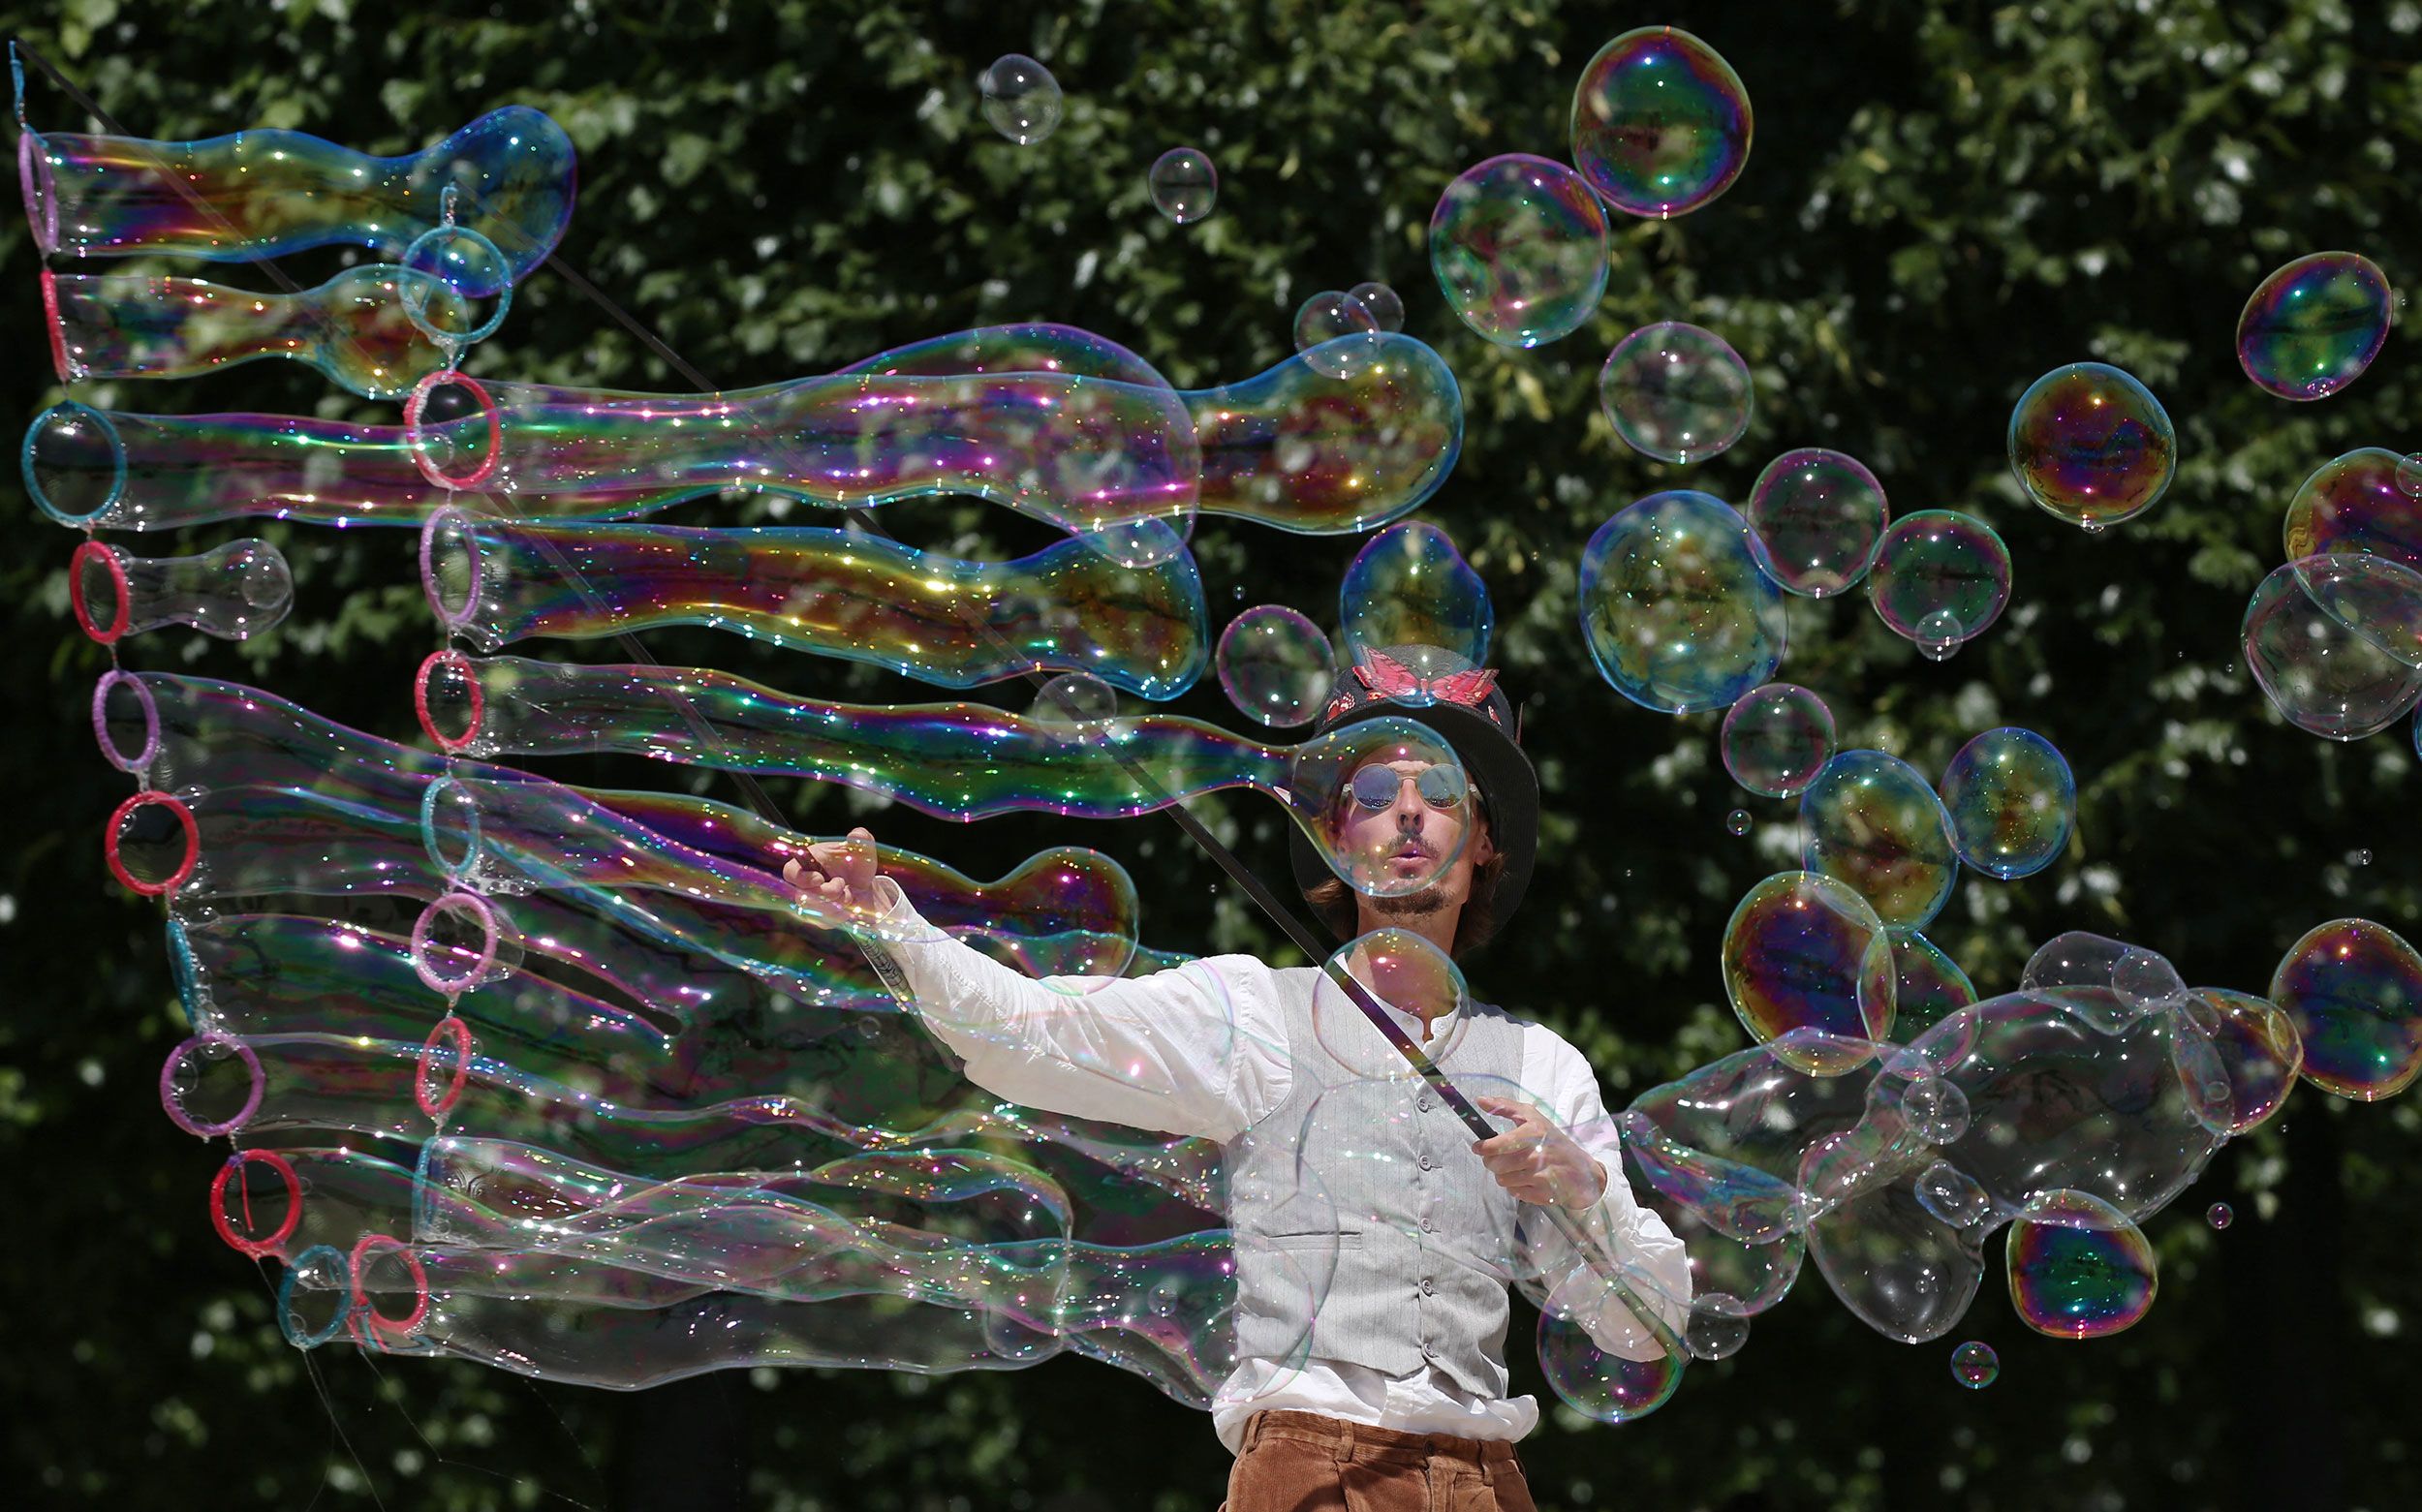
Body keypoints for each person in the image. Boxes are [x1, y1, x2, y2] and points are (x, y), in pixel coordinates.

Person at [783, 644, 1690, 1512]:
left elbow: (1643, 1331)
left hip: (1485, 1480)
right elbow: (1028, 1033)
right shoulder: (1255, 1015)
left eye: (1440, 791)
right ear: (1337, 837)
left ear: (1484, 840)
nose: (1409, 811)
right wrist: (890, 922)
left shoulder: (1544, 1065)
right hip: (1306, 1468)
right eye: (1375, 792)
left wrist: (1584, 1188)